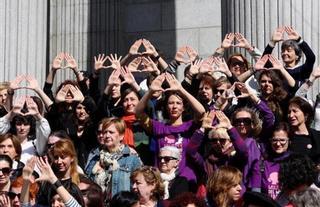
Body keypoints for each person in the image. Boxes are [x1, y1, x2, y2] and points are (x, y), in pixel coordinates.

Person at [135, 73, 205, 184]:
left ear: (183, 107)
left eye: (178, 103)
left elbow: (201, 112)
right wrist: (150, 92)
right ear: (167, 107)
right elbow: (138, 113)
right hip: (161, 180)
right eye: (171, 103)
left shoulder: (190, 126)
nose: (174, 106)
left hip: (185, 179)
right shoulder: (159, 127)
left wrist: (181, 90)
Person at [87, 117, 142, 199]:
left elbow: (139, 188)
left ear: (121, 136)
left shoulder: (131, 158)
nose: (107, 135)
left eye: (111, 132)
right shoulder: (95, 157)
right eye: (105, 132)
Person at [0, 96, 51, 164]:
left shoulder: (36, 145)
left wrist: (38, 116)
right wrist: (11, 113)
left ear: (31, 126)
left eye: (26, 124)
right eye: (19, 124)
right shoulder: (6, 143)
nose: (22, 128)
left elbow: (45, 132)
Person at [36, 139, 82, 206]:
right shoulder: (48, 182)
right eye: (56, 157)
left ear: (72, 158)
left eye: (63, 157)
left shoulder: (81, 181)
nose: (59, 161)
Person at [259, 122, 291, 199]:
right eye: (275, 140)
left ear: (289, 141)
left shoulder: (294, 161)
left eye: (282, 140)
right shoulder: (263, 161)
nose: (278, 144)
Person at [287, 96, 320, 161]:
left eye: (295, 111)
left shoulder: (316, 136)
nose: (291, 115)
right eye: (289, 112)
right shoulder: (287, 137)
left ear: (306, 115)